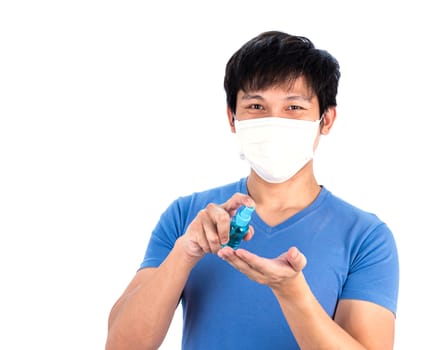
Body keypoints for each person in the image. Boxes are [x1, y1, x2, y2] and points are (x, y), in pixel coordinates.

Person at [105, 30, 399, 350]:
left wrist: (291, 292)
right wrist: (185, 252)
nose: (274, 122)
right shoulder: (187, 217)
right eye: (256, 106)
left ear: (326, 120)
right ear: (233, 118)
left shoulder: (365, 236)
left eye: (294, 107)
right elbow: (122, 345)